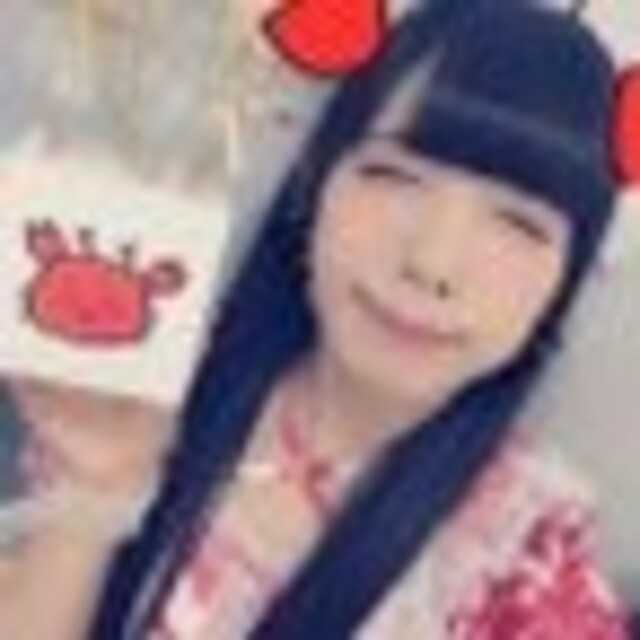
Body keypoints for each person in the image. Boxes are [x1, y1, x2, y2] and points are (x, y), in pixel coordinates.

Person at [0, 2, 632, 638]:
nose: (432, 263)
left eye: (519, 223)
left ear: (565, 281)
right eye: (393, 175)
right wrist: (95, 489)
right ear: (315, 183)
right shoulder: (150, 373)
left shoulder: (528, 566)